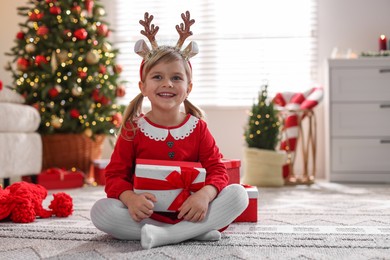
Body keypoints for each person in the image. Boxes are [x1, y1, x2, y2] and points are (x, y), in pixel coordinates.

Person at [90, 11, 248, 250]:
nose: (167, 84)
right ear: (143, 86)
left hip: (193, 210)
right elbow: (114, 176)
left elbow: (217, 170)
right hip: (147, 214)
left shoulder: (197, 128)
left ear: (189, 87)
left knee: (238, 195)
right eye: (157, 77)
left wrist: (204, 195)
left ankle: (169, 234)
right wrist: (130, 199)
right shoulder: (133, 129)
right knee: (100, 212)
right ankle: (189, 234)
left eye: (176, 77)